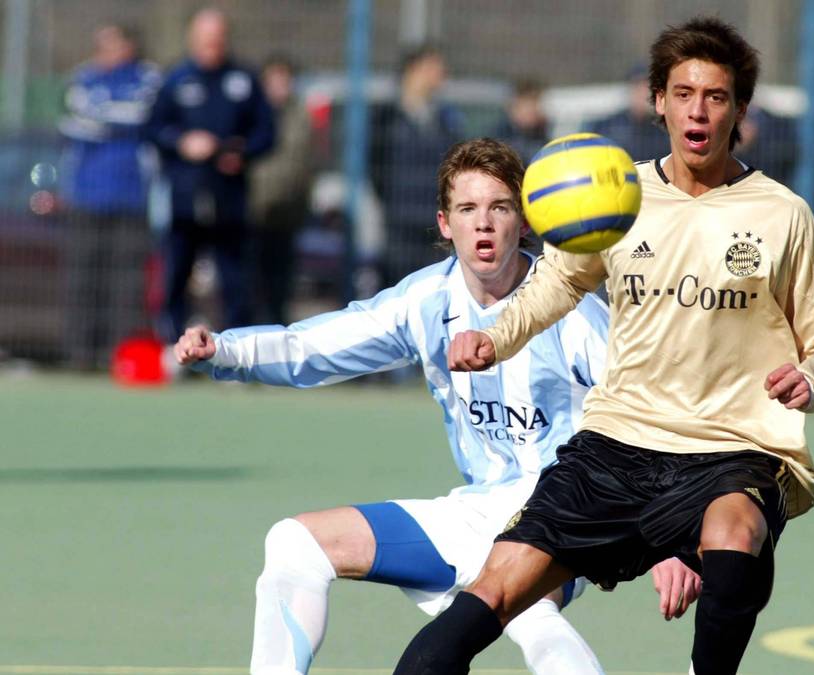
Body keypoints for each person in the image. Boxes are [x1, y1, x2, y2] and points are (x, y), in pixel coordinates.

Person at [395, 17, 814, 675]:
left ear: (740, 110)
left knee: (734, 534)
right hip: (617, 444)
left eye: (716, 95)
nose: (697, 109)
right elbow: (553, 284)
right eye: (682, 93)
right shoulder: (618, 196)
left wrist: (812, 375)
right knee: (492, 590)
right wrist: (493, 338)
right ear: (658, 102)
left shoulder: (781, 214)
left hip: (732, 446)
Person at [173, 138, 697, 675]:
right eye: (468, 210)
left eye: (500, 207)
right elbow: (318, 345)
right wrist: (227, 350)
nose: (484, 224)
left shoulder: (573, 312)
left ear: (526, 220)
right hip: (477, 511)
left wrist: (673, 537)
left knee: (530, 613)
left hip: (568, 514)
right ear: (446, 224)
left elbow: (649, 416)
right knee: (295, 542)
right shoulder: (426, 300)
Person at [143, 7, 275, 341]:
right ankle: (173, 346)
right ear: (193, 40)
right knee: (176, 273)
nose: (211, 47)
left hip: (229, 197)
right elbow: (153, 129)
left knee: (235, 278)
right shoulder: (175, 79)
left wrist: (239, 153)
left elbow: (267, 134)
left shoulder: (244, 80)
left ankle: (238, 352)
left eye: (217, 40)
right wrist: (182, 142)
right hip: (185, 197)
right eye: (205, 40)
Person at [58, 23, 160, 370]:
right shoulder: (84, 76)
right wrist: (111, 117)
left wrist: (102, 116)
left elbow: (141, 115)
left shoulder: (147, 77)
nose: (103, 50)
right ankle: (80, 355)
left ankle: (121, 355)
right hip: (86, 197)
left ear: (129, 46)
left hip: (131, 197)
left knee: (127, 282)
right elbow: (74, 120)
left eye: (111, 44)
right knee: (83, 278)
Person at [370, 44, 464, 281]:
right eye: (433, 68)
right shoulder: (387, 118)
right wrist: (391, 203)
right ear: (413, 70)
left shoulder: (446, 119)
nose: (441, 75)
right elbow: (375, 167)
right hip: (400, 222)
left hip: (434, 222)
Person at [249, 53, 314, 326]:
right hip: (252, 214)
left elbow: (307, 164)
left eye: (284, 80)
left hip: (287, 214)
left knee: (280, 285)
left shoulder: (300, 117)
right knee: (250, 284)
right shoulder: (251, 114)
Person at [588, 64, 671, 162]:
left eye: (647, 87)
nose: (642, 93)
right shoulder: (607, 127)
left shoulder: (664, 131)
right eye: (637, 86)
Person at [493, 79, 551, 164]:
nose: (534, 111)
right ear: (514, 107)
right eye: (528, 106)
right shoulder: (499, 140)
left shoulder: (541, 136)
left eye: (536, 105)